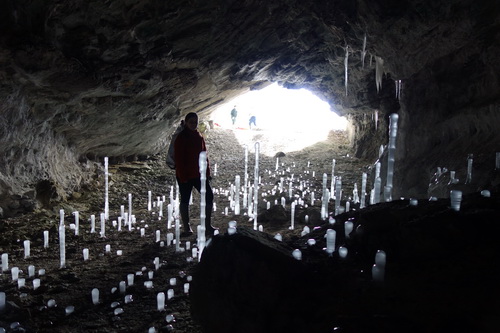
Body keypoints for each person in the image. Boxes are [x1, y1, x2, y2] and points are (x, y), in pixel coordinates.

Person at [174, 112, 218, 237]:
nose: (193, 124)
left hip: (199, 175)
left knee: (208, 196)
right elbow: (179, 159)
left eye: (195, 122)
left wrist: (207, 172)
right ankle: (187, 227)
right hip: (186, 175)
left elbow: (204, 155)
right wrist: (183, 177)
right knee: (185, 199)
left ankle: (207, 225)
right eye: (191, 122)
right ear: (186, 123)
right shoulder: (181, 138)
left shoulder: (199, 136)